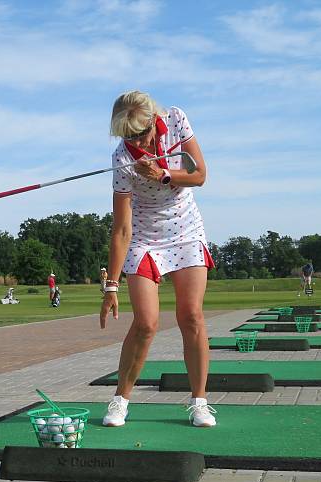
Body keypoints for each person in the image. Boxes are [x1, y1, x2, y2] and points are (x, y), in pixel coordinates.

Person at [99, 90, 216, 428]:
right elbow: (121, 228)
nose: (137, 141)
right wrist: (111, 287)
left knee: (191, 315)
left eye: (141, 132)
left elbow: (200, 175)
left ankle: (199, 403)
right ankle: (120, 400)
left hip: (185, 228)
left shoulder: (177, 119)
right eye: (128, 136)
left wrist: (164, 175)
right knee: (146, 322)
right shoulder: (122, 160)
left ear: (153, 120)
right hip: (145, 236)